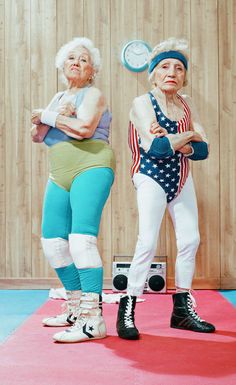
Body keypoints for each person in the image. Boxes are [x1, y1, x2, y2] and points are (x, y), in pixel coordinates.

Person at [116, 37, 215, 340]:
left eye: (179, 68)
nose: (172, 72)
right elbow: (156, 149)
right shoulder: (141, 103)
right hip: (150, 176)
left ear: (185, 76)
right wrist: (187, 139)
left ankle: (182, 310)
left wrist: (177, 139)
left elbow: (204, 151)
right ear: (154, 73)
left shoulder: (186, 105)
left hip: (181, 177)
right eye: (164, 67)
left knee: (191, 239)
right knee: (147, 241)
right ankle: (127, 305)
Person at [31, 37, 115, 343]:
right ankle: (76, 307)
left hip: (92, 165)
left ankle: (94, 321)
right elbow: (37, 135)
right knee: (53, 242)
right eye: (70, 58)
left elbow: (84, 129)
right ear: (62, 66)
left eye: (83, 59)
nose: (76, 62)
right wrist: (50, 115)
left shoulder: (94, 94)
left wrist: (50, 116)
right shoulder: (58, 96)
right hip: (59, 172)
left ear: (92, 69)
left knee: (81, 240)